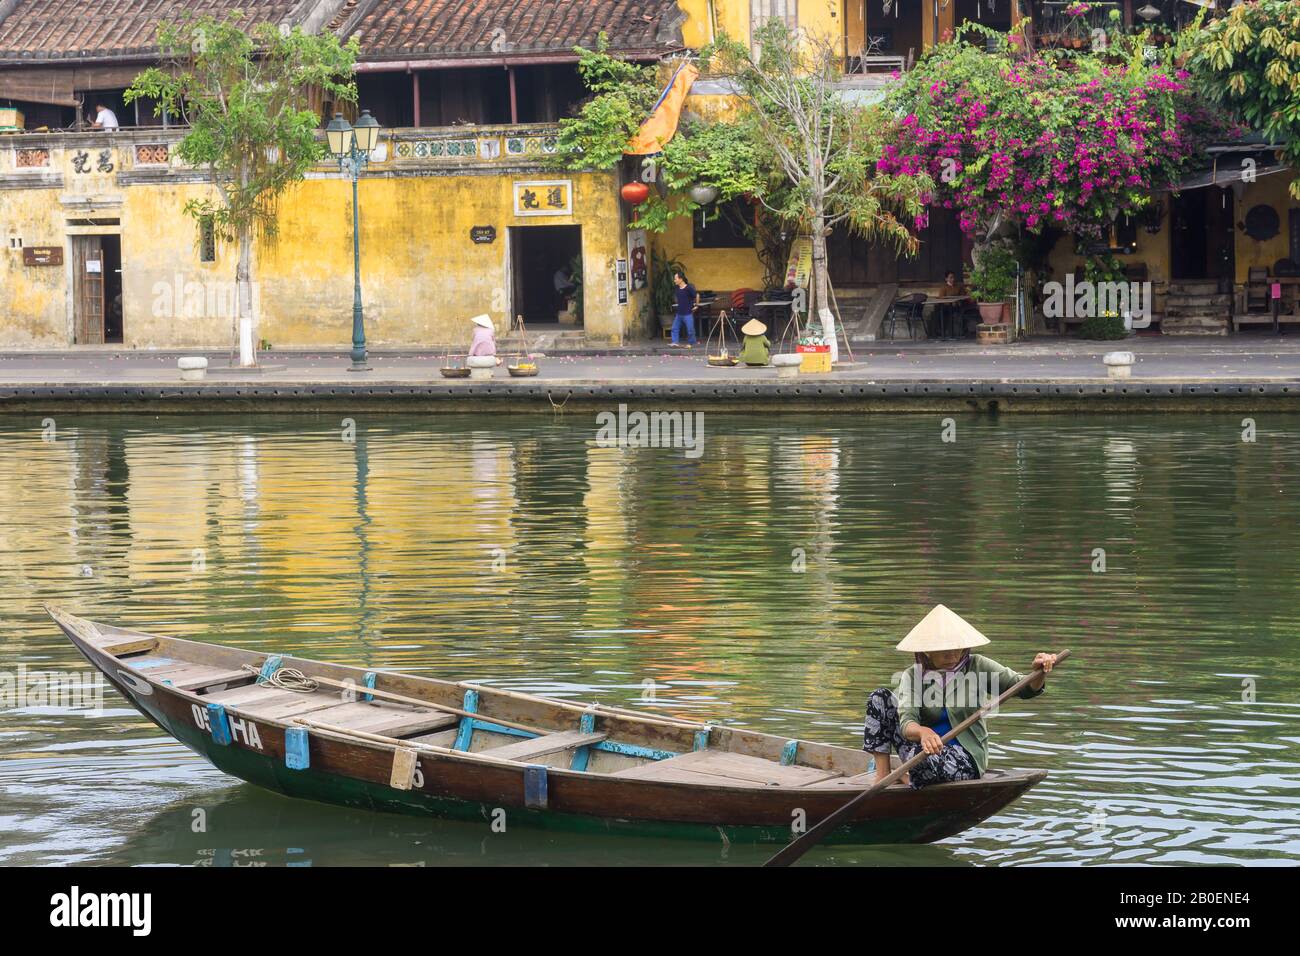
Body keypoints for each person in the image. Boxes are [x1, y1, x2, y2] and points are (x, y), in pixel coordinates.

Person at [863, 604, 1057, 789]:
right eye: (945, 651)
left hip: (964, 756)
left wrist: (1039, 672)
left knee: (922, 762)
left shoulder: (977, 666)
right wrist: (923, 732)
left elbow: (1023, 688)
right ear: (927, 651)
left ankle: (906, 776)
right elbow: (907, 723)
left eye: (958, 648)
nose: (954, 656)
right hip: (923, 748)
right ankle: (883, 775)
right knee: (880, 697)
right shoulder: (913, 676)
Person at [670, 272, 699, 348]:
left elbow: (697, 295)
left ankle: (692, 343)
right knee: (674, 328)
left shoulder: (688, 288)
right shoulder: (676, 288)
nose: (674, 280)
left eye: (675, 279)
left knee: (690, 330)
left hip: (688, 313)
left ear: (681, 279)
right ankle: (675, 342)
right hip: (679, 313)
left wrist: (697, 305)